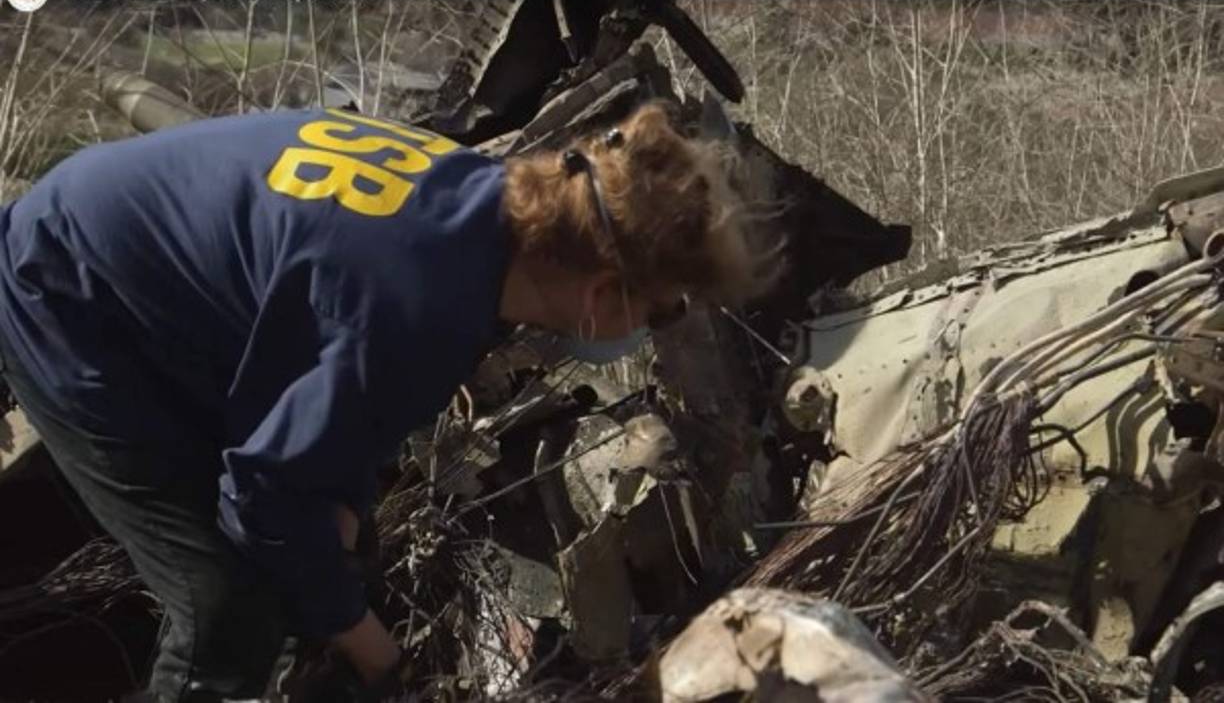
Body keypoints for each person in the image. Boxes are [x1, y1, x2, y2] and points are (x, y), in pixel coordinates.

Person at [0, 100, 770, 701]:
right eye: (663, 309)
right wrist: (382, 662)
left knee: (333, 559)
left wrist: (337, 544)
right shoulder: (422, 304)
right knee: (224, 605)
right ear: (604, 293)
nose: (658, 325)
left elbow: (330, 399)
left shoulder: (477, 210)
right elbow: (263, 498)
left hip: (137, 270)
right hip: (70, 291)